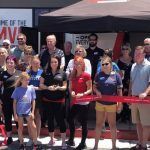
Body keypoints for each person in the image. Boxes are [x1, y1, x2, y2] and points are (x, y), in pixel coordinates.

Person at [93, 56, 123, 150]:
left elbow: (119, 91)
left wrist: (120, 104)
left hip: (112, 104)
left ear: (111, 64)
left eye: (106, 64)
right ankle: (95, 146)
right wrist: (97, 91)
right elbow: (94, 87)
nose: (104, 66)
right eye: (103, 64)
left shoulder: (116, 75)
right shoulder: (99, 74)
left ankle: (114, 146)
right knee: (98, 124)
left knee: (112, 125)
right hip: (100, 103)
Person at [40, 54, 67, 149]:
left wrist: (58, 88)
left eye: (55, 62)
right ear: (49, 63)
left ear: (58, 62)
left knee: (60, 120)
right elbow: (41, 85)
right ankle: (52, 140)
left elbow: (65, 87)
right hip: (47, 100)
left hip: (59, 101)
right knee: (50, 120)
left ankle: (63, 142)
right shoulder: (45, 72)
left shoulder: (63, 73)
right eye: (52, 62)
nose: (54, 63)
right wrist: (48, 87)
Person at [66, 56, 92, 150]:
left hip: (84, 102)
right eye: (76, 64)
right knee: (69, 118)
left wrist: (83, 94)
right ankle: (71, 139)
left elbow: (90, 89)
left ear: (83, 64)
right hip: (76, 101)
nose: (77, 65)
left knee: (83, 123)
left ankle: (83, 143)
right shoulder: (73, 75)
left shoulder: (86, 75)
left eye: (79, 63)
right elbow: (70, 88)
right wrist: (72, 92)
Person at [129, 46, 150, 150]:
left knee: (145, 124)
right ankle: (139, 143)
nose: (137, 55)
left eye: (139, 53)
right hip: (134, 99)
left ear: (144, 54)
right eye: (135, 53)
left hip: (145, 100)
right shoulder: (133, 66)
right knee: (137, 122)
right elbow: (132, 82)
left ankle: (144, 145)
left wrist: (145, 93)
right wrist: (129, 96)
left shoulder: (149, 66)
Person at [11, 72, 37, 149]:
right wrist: (15, 114)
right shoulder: (17, 89)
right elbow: (14, 103)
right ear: (21, 80)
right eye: (26, 80)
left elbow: (33, 101)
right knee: (20, 128)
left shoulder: (31, 88)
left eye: (28, 80)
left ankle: (35, 143)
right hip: (19, 113)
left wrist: (32, 112)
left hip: (28, 112)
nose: (27, 81)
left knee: (34, 127)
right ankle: (21, 143)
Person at [0, 55, 21, 145]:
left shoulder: (20, 73)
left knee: (18, 119)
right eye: (8, 62)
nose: (9, 64)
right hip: (6, 100)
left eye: (11, 62)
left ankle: (20, 137)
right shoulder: (2, 74)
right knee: (8, 119)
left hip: (18, 101)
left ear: (15, 63)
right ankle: (9, 137)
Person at [27, 56, 43, 141]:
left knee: (37, 115)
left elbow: (42, 86)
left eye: (37, 63)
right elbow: (24, 84)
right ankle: (30, 136)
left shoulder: (42, 72)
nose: (35, 64)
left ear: (39, 64)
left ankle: (37, 135)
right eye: (34, 63)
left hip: (38, 96)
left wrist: (35, 88)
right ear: (31, 63)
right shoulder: (28, 73)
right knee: (30, 116)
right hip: (28, 97)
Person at [117, 45, 133, 123]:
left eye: (127, 49)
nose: (125, 50)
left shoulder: (133, 60)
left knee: (128, 99)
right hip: (120, 82)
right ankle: (120, 117)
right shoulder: (117, 60)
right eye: (123, 49)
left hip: (130, 82)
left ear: (129, 50)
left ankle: (127, 117)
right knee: (120, 99)